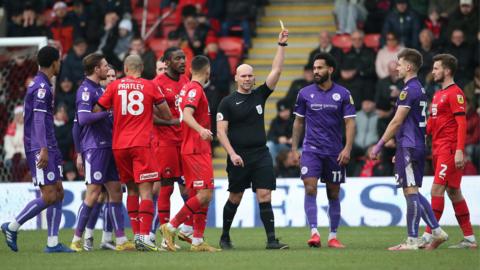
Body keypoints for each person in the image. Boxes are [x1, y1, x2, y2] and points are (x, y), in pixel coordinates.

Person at [216, 29, 289, 250]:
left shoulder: (260, 95)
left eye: (250, 75)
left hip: (260, 154)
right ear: (236, 78)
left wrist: (281, 45)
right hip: (238, 155)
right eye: (243, 75)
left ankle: (271, 240)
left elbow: (276, 70)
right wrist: (232, 154)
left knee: (265, 194)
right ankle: (225, 236)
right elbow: (221, 132)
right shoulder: (227, 102)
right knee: (235, 197)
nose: (247, 79)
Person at [370, 48, 448, 250]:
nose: (396, 67)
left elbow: (397, 121)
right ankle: (436, 231)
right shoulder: (420, 89)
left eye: (399, 63)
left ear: (409, 66)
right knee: (410, 191)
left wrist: (379, 145)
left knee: (410, 191)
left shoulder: (408, 90)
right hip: (415, 145)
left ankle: (412, 240)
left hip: (409, 145)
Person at [94, 55, 172, 251]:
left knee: (132, 190)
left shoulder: (114, 86)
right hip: (141, 144)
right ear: (142, 67)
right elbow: (166, 114)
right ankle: (145, 236)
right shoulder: (150, 86)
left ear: (126, 68)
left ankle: (137, 234)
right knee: (146, 191)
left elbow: (97, 109)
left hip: (119, 145)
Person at [1, 46, 73, 253]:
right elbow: (39, 121)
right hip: (40, 147)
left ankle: (52, 243)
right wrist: (43, 148)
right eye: (59, 61)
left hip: (49, 145)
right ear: (54, 63)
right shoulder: (42, 87)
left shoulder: (43, 84)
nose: (60, 64)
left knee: (58, 192)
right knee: (50, 195)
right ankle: (12, 226)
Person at [69, 53, 135, 252]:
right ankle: (76, 239)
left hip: (109, 146)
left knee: (116, 192)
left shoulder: (99, 88)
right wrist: (109, 113)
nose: (108, 69)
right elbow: (83, 119)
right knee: (94, 192)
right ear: (96, 69)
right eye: (105, 66)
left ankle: (121, 240)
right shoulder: (86, 90)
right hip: (95, 147)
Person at [291, 52, 356, 249]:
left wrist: (347, 148)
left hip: (334, 151)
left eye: (320, 68)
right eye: (314, 68)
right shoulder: (304, 93)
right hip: (311, 150)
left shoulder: (343, 94)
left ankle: (333, 236)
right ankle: (314, 233)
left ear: (330, 70)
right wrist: (294, 148)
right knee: (310, 187)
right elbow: (298, 122)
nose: (316, 71)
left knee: (333, 193)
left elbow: (350, 123)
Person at [160, 55, 220, 252]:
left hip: (191, 148)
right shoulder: (194, 88)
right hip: (195, 148)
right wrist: (201, 130)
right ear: (207, 70)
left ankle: (197, 240)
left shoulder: (187, 87)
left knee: (201, 194)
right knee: (205, 194)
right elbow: (186, 114)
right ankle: (171, 227)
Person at [419, 54, 477, 249]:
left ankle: (429, 235)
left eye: (436, 68)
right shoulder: (437, 94)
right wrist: (417, 133)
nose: (433, 72)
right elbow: (433, 124)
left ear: (447, 70)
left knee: (436, 190)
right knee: (454, 192)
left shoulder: (455, 93)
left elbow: (462, 123)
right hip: (438, 148)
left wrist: (459, 150)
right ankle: (469, 239)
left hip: (450, 149)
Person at [151, 48, 192, 248]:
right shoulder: (156, 84)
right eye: (178, 58)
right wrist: (172, 122)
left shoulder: (187, 81)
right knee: (166, 189)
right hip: (166, 143)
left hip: (185, 142)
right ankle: (166, 238)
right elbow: (149, 115)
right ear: (167, 62)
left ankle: (187, 229)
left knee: (189, 189)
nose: (183, 61)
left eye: (184, 58)